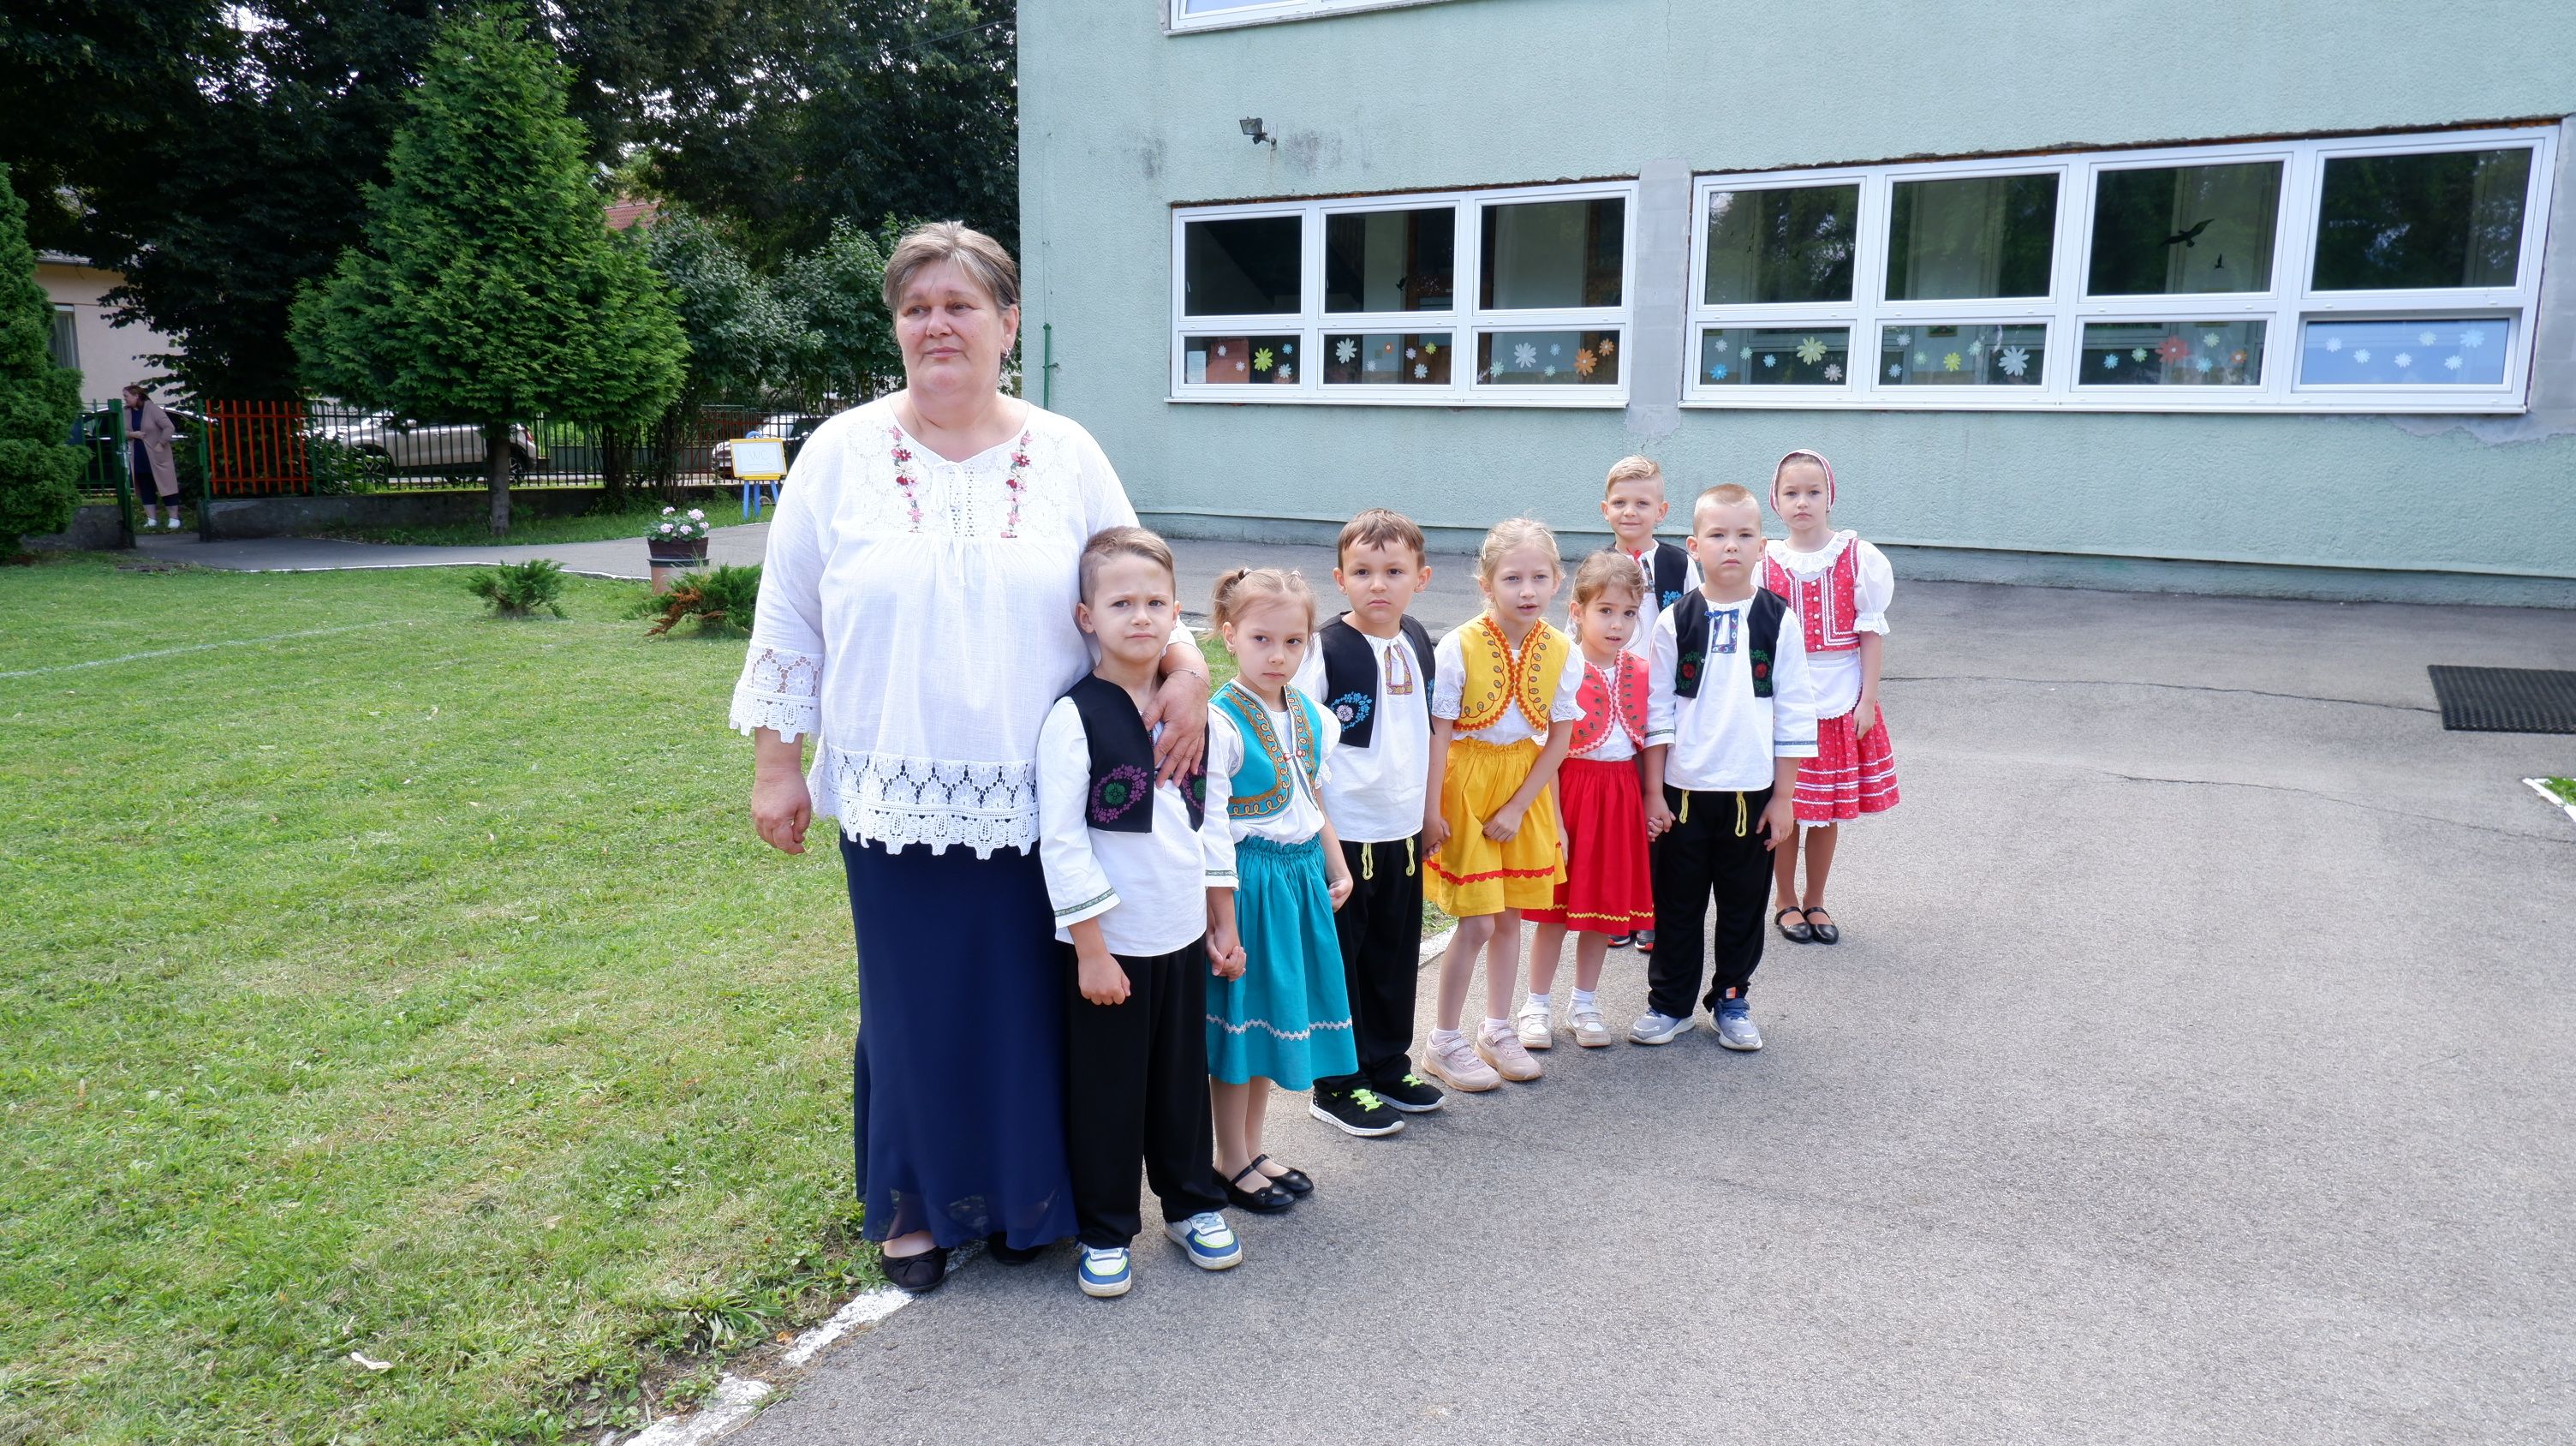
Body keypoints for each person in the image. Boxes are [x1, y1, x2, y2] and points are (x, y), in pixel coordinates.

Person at [735, 223, 1212, 1294]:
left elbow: (1132, 576)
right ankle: (914, 1206)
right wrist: (776, 761)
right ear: (896, 328)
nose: (937, 325)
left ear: (1007, 323)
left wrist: (1186, 665)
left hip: (1049, 794)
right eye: (916, 308)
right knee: (914, 1005)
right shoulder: (839, 453)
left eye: (959, 305)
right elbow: (789, 617)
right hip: (893, 782)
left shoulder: (1067, 451)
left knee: (1034, 1005)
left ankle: (1024, 1199)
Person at [1036, 527, 1243, 1300]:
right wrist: (1091, 950)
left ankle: (1192, 1205)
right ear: (1086, 616)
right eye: (1121, 602)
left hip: (1180, 933)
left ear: (1177, 613)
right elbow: (1062, 842)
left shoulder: (1193, 713)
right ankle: (1105, 1228)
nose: (1140, 616)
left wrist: (1222, 918)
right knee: (1108, 1092)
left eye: (1156, 602)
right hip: (1110, 947)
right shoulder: (1074, 718)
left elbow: (1211, 818)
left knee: (1181, 1083)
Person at [1634, 485, 1819, 1053]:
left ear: (1762, 545)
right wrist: (1653, 793)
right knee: (1677, 907)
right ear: (1694, 546)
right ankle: (1670, 1004)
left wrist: (1784, 797)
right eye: (1717, 535)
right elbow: (1657, 710)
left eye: (1743, 535)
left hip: (1751, 796)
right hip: (1683, 794)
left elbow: (1794, 709)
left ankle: (1732, 999)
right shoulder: (1676, 620)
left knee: (1742, 907)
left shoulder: (1777, 619)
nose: (1731, 546)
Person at [1203, 566, 1359, 1212]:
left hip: (1298, 879)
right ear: (1229, 636)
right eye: (1262, 639)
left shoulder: (1311, 716)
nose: (1278, 655)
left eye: (1293, 642)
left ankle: (1253, 1148)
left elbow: (1312, 799)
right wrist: (1222, 918)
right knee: (1242, 1027)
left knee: (1272, 1021)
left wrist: (1337, 865)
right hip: (1249, 884)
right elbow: (1211, 829)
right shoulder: (1218, 721)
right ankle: (1229, 1159)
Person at [1291, 509, 1446, 1136]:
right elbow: (1302, 748)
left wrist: (1429, 812)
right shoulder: (1325, 650)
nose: (1377, 584)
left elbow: (1431, 732)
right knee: (1343, 961)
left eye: (1393, 571)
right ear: (1340, 578)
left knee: (1392, 955)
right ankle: (1336, 1082)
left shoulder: (1418, 640)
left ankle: (1387, 1063)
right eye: (1362, 572)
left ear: (1421, 578)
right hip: (1344, 835)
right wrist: (1323, 838)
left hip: (1400, 830)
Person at [1420, 518, 1581, 1091]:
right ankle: (1443, 1040)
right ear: (1487, 584)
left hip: (1525, 789)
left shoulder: (1562, 649)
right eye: (1512, 578)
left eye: (1539, 577)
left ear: (1558, 581)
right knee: (1478, 919)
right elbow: (1440, 733)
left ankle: (1496, 1029)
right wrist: (1431, 810)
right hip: (1466, 786)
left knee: (1511, 916)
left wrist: (1527, 811)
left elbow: (1558, 740)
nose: (1527, 590)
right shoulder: (1458, 645)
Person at [1519, 551, 1655, 1050]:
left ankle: (1585, 1003)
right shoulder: (1561, 666)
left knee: (1603, 908)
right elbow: (1547, 751)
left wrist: (1649, 799)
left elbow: (1648, 744)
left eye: (1628, 613)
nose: (1617, 624)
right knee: (1556, 911)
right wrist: (1554, 820)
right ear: (1577, 611)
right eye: (1605, 611)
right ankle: (1536, 1005)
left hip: (1620, 797)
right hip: (1570, 792)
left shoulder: (1642, 670)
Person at [1763, 450, 1899, 946]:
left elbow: (1870, 633)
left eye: (1813, 492)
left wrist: (1867, 700)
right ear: (1776, 501)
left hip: (1840, 695)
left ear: (1830, 497)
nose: (1802, 502)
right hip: (1784, 697)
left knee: (1825, 811)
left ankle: (1816, 897)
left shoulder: (1858, 556)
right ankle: (1784, 900)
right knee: (1786, 808)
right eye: (1791, 493)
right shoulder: (1764, 560)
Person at [1599, 454, 1691, 952]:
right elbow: (1578, 630)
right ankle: (1616, 906)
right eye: (1620, 502)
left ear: (1662, 510)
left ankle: (1650, 907)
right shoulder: (1598, 567)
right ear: (1605, 509)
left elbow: (1696, 624)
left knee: (1659, 804)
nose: (1630, 512)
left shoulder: (1680, 565)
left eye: (1642, 503)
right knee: (1620, 804)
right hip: (1613, 697)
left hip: (1663, 699)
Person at [123, 385, 181, 529]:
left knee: (167, 486)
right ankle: (152, 519)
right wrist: (131, 434)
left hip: (157, 456)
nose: (125, 399)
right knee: (145, 486)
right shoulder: (127, 412)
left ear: (136, 396)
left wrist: (161, 443)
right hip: (139, 456)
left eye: (126, 396)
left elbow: (169, 427)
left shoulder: (153, 409)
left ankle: (174, 518)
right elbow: (121, 430)